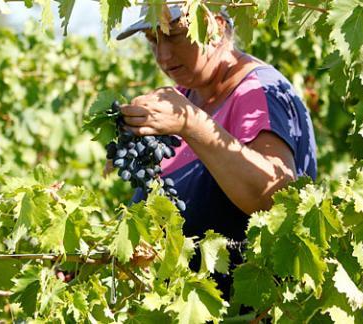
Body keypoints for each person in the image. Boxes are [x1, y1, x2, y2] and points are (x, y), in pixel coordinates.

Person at [116, 6, 317, 297]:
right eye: (153, 40)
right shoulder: (184, 99)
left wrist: (193, 124)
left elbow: (277, 199)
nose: (162, 55)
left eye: (174, 35)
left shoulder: (258, 91)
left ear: (216, 27)